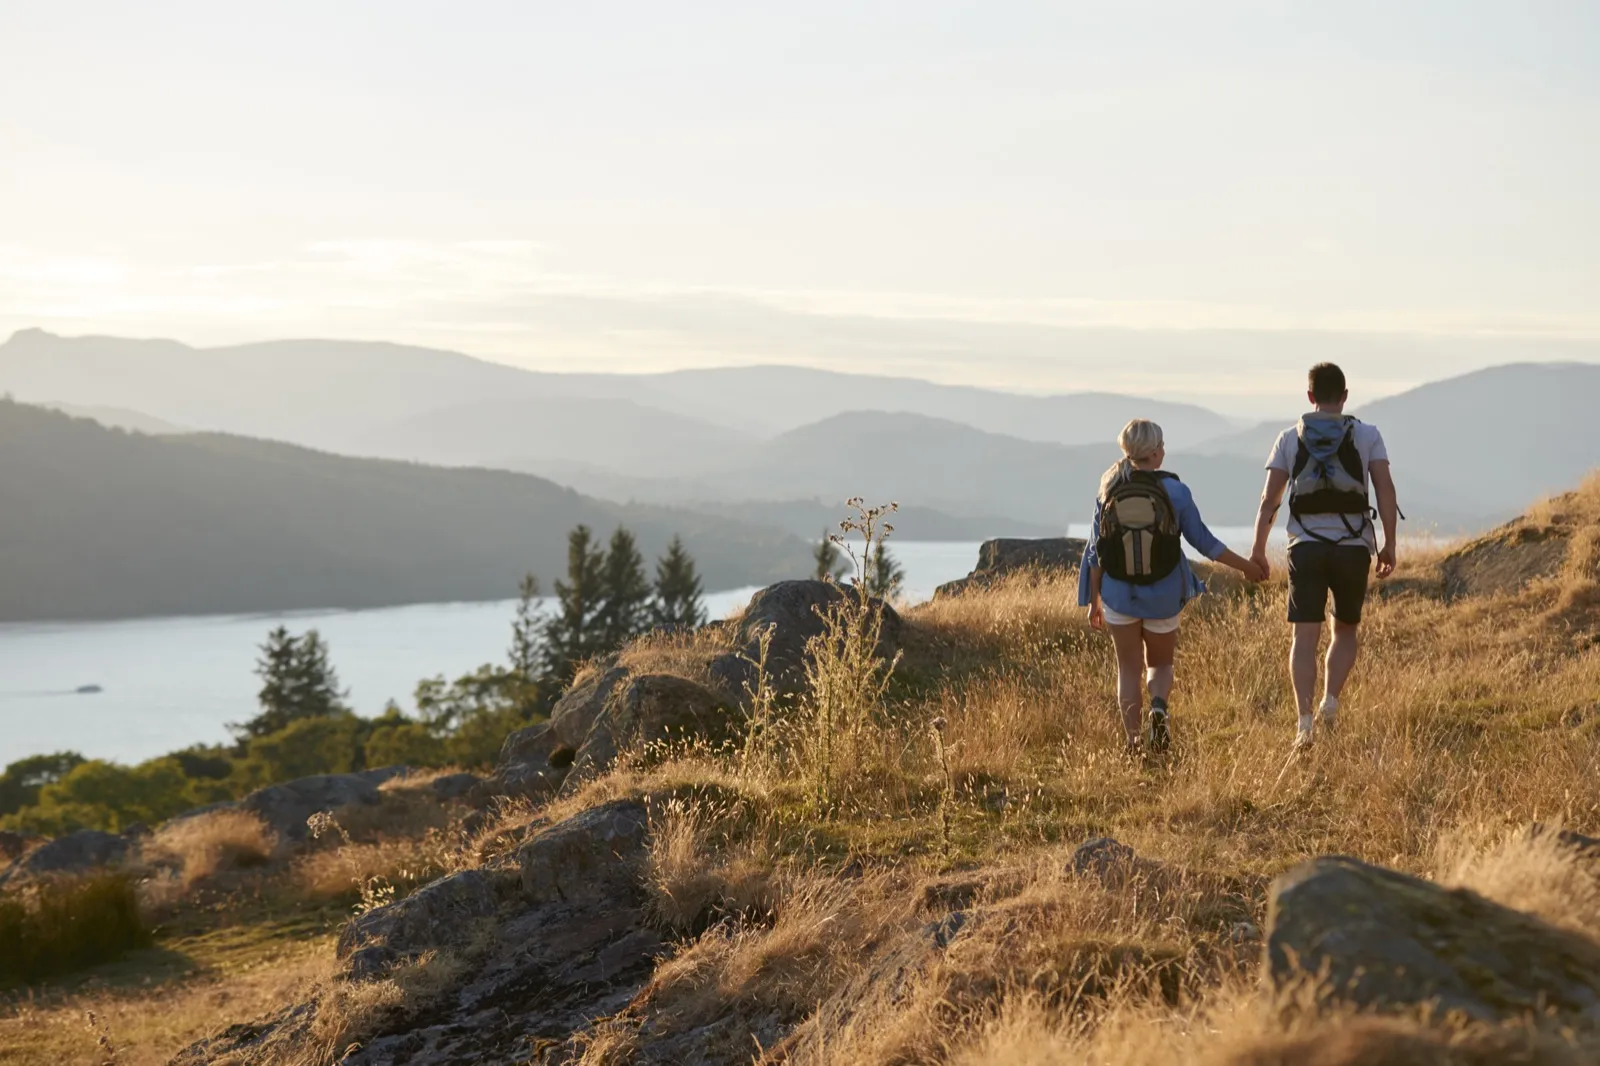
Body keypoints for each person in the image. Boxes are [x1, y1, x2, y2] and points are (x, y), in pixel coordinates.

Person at [1080, 419, 1266, 755]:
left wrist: (1094, 600)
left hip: (1119, 595)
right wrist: (1247, 568)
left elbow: (1095, 552)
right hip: (1164, 594)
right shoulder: (1176, 492)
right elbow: (1205, 543)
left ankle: (1134, 743)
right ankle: (1159, 708)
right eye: (1162, 446)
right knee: (1160, 664)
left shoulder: (1108, 486)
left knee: (1127, 668)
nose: (1164, 450)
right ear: (1154, 453)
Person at [1249, 362, 1399, 751]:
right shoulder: (1367, 435)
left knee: (1304, 635)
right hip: (1353, 547)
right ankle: (1330, 700)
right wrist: (1389, 544)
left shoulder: (1288, 438)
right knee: (1345, 629)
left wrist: (1258, 549)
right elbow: (1384, 490)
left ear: (1310, 396)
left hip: (1306, 546)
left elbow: (1271, 499)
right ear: (1345, 396)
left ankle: (1304, 723)